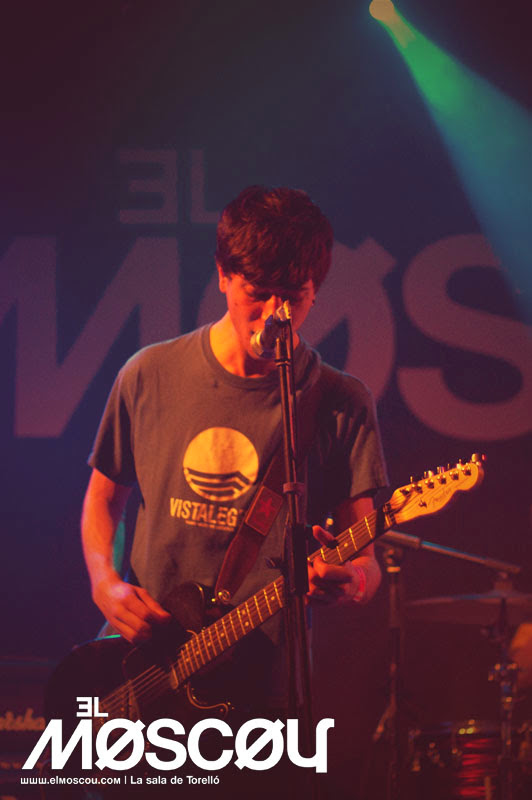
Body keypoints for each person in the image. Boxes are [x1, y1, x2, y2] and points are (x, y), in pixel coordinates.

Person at [81, 185, 388, 720]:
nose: (274, 315)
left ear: (316, 291)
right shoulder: (149, 374)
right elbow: (103, 502)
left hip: (261, 689)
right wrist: (104, 584)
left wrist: (354, 582)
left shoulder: (342, 403)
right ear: (223, 275)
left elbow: (367, 562)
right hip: (143, 669)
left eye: (293, 296)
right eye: (258, 293)